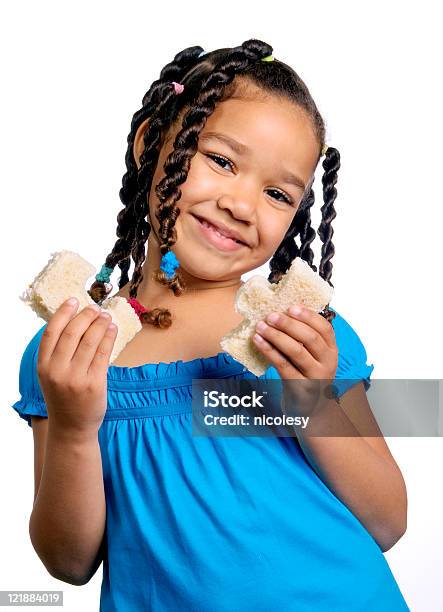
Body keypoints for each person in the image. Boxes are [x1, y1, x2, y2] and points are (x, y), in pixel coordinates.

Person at [11, 39, 409, 611]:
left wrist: (310, 401)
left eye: (277, 193)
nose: (242, 205)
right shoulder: (72, 351)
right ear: (152, 143)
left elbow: (388, 521)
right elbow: (69, 562)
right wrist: (75, 428)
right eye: (221, 161)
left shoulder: (303, 336)